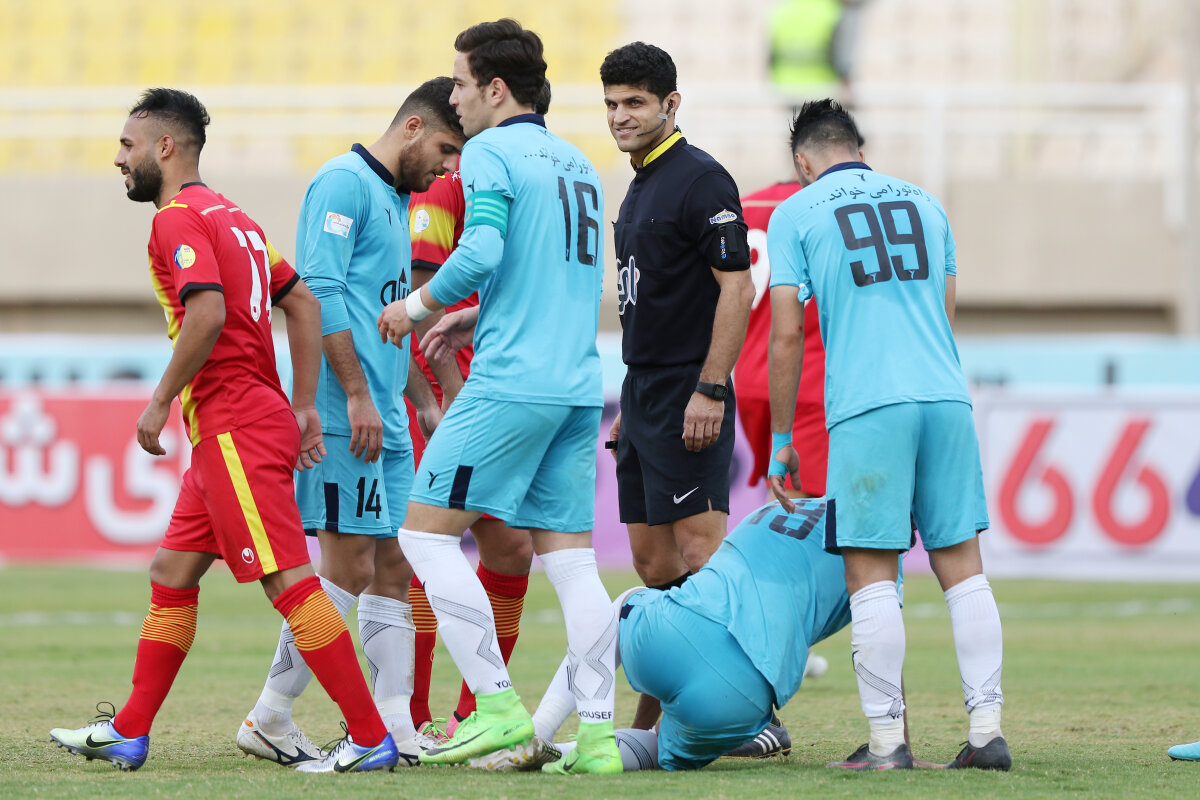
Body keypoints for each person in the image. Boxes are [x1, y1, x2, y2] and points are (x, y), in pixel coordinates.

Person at [49, 88, 399, 774]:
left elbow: (205, 313)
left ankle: (369, 737)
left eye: (127, 145)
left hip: (234, 424)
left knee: (289, 583)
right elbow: (302, 300)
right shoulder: (235, 218)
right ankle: (129, 730)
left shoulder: (176, 219)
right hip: (241, 424)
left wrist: (159, 402)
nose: (119, 158)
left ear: (165, 147)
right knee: (171, 572)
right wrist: (302, 405)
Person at [376, 19, 620, 774]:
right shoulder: (579, 161)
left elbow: (480, 249)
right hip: (578, 384)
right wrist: (476, 313)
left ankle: (496, 705)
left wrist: (414, 309)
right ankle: (600, 740)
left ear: (495, 88)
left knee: (423, 536)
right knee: (573, 564)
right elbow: (561, 276)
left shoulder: (488, 152)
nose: (452, 98)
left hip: (512, 382)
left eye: (459, 83)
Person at [767, 98, 1010, 771]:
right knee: (963, 567)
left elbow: (786, 332)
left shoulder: (797, 211)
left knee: (869, 572)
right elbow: (944, 314)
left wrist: (782, 437)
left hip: (870, 403)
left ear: (802, 161)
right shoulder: (928, 204)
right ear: (860, 150)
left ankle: (886, 744)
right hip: (945, 396)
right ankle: (987, 734)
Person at [233, 78, 464, 770]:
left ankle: (398, 728)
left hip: (386, 410)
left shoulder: (398, 197)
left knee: (395, 564)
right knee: (347, 565)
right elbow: (319, 293)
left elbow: (386, 314)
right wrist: (358, 394)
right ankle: (270, 714)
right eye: (446, 149)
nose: (447, 168)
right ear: (413, 127)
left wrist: (419, 397)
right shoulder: (342, 183)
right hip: (345, 412)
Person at [479, 497, 891, 772]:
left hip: (671, 636)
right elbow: (874, 635)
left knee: (625, 605)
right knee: (656, 749)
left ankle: (541, 730)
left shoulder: (778, 506)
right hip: (741, 701)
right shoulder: (880, 553)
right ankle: (571, 751)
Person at [600, 38, 756, 736]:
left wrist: (711, 388)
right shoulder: (639, 185)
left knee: (702, 555)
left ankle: (750, 714)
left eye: (635, 103)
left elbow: (737, 289)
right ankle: (665, 712)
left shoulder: (702, 179)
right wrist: (631, 405)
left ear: (671, 103)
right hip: (643, 394)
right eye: (611, 104)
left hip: (690, 390)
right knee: (653, 560)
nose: (621, 116)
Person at [404, 166, 534, 739]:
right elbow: (423, 284)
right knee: (425, 545)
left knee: (511, 549)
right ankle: (409, 717)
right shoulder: (444, 182)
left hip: (495, 394)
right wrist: (448, 390)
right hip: (449, 394)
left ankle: (470, 714)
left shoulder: (503, 173)